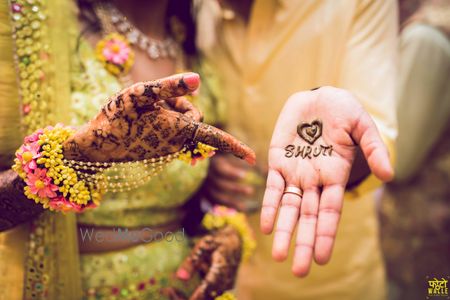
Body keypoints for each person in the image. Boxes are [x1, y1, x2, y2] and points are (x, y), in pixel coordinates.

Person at [0, 1, 255, 299]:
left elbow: (209, 195)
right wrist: (77, 156)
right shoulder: (28, 27)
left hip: (181, 286)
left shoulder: (202, 46)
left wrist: (226, 233)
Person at [199, 0, 397, 299]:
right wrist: (207, 163)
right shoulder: (193, 11)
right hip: (227, 275)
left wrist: (342, 144)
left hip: (333, 280)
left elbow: (379, 139)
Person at [380, 1, 450, 299]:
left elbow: (399, 159)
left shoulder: (428, 40)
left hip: (420, 247)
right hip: (431, 239)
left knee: (434, 292)